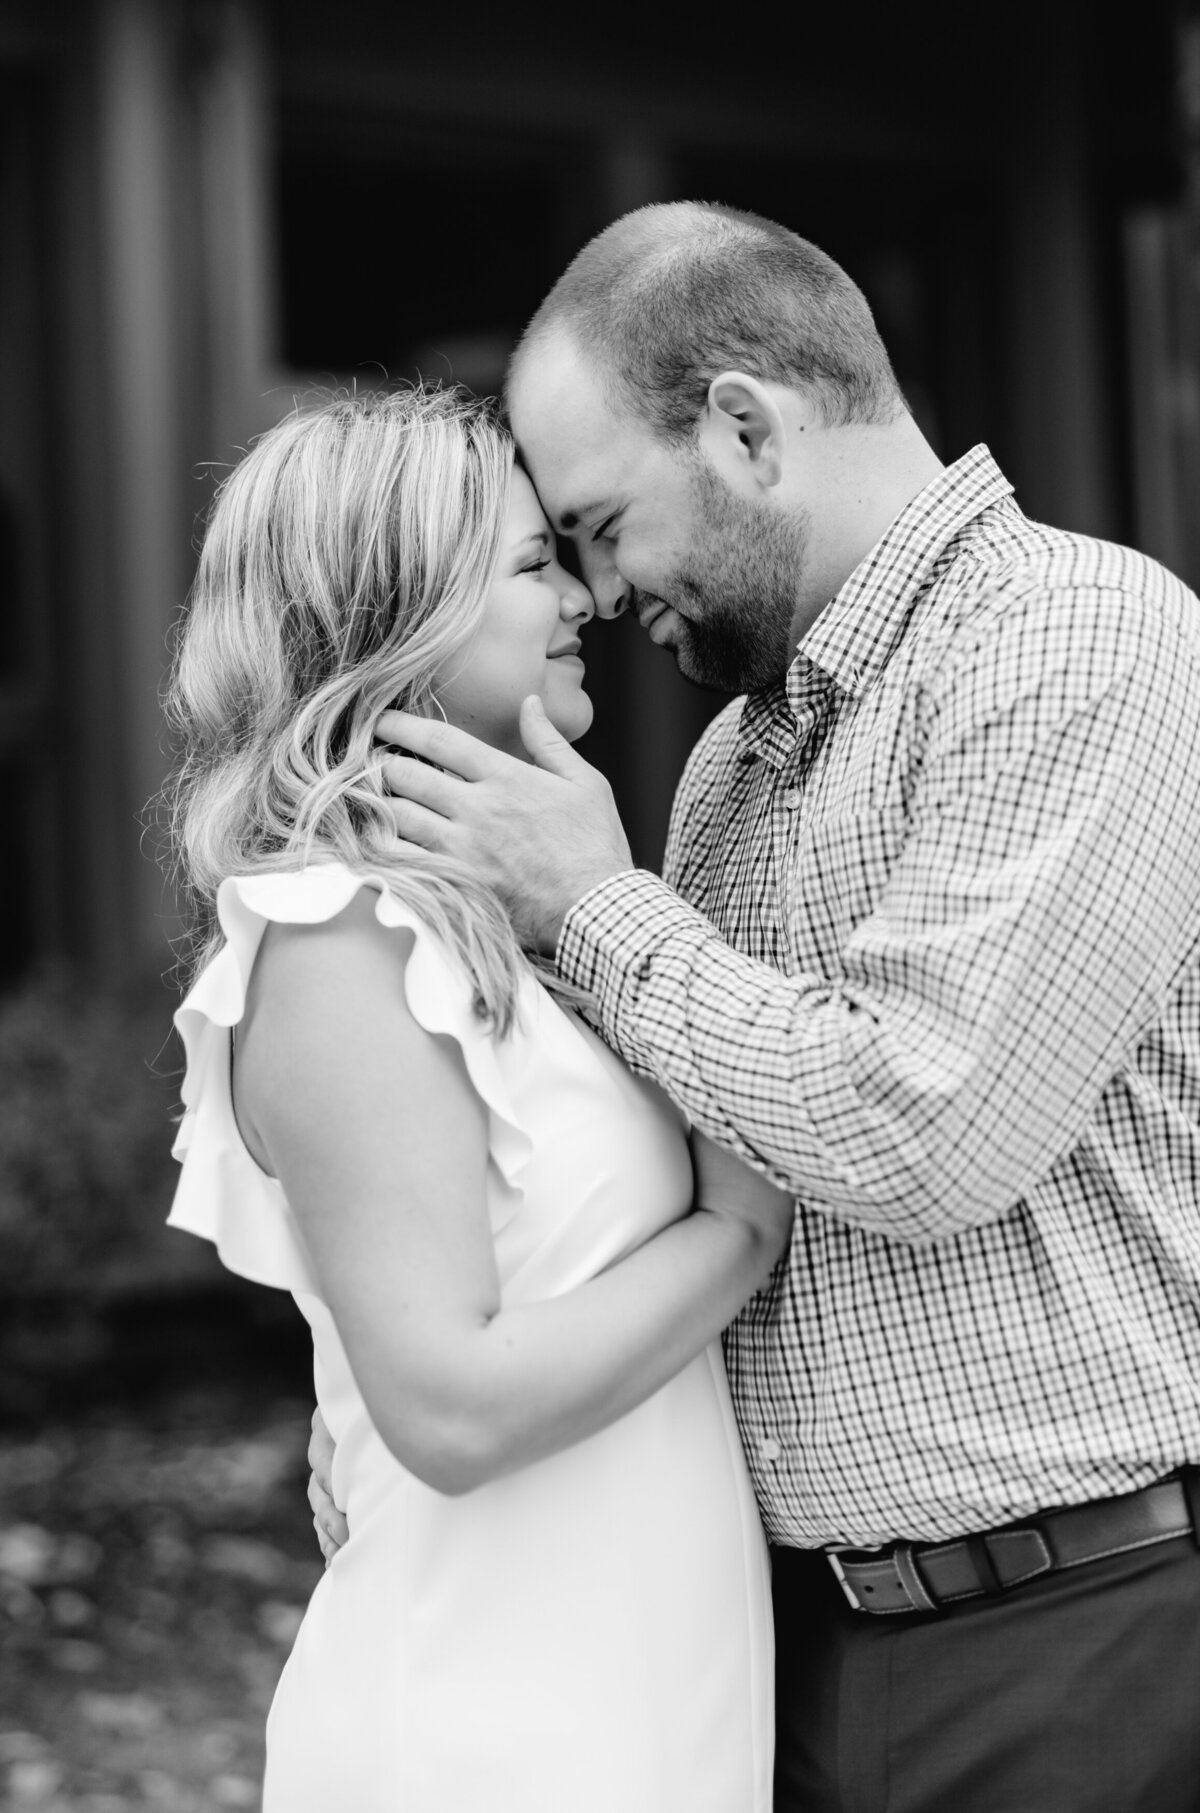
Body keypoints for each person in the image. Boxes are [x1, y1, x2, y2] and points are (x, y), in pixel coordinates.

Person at [313, 203, 1200, 1810]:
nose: (591, 587)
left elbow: (919, 1126)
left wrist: (591, 904)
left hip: (1079, 1645)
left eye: (596, 523)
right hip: (782, 1656)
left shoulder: (1080, 638)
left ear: (743, 426)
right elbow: (677, 1164)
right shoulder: (730, 762)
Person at [162, 385, 793, 1812]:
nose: (586, 594)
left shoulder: (518, 918)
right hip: (486, 1731)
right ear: (397, 621)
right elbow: (446, 1405)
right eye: (530, 565)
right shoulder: (335, 941)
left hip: (641, 1704)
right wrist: (741, 1232)